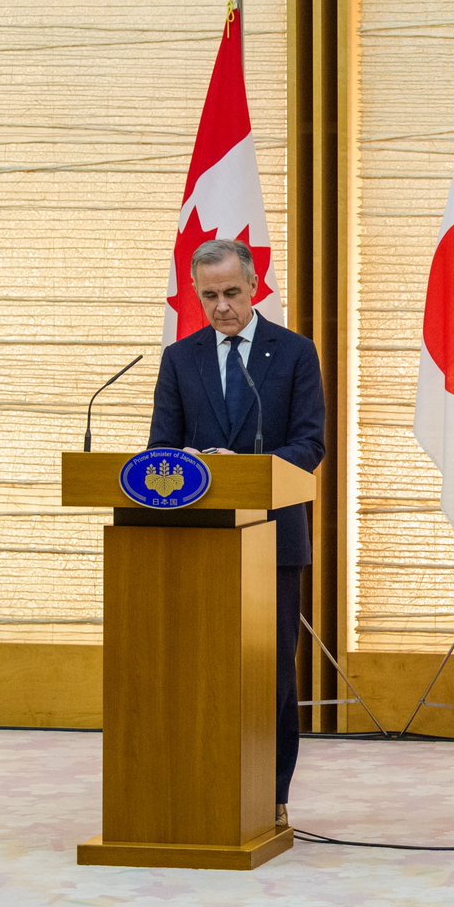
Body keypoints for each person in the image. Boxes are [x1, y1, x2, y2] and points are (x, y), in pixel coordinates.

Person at [149, 238, 326, 830]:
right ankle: (195, 785)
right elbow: (158, 450)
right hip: (196, 543)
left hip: (273, 540)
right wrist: (195, 463)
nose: (221, 306)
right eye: (209, 296)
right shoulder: (181, 358)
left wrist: (246, 469)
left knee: (269, 670)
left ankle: (269, 795)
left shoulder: (295, 354)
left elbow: (309, 445)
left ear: (254, 288)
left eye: (231, 293)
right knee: (198, 670)